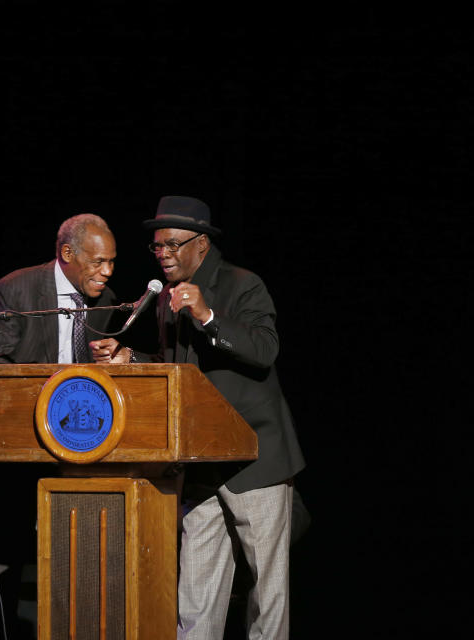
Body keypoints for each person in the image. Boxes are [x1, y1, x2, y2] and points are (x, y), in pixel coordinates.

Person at [91, 196, 305, 640]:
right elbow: (180, 374)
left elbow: (265, 350)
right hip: (202, 463)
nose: (162, 254)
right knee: (195, 597)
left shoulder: (242, 285)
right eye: (157, 248)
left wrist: (206, 315)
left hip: (256, 462)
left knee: (268, 597)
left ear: (201, 244)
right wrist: (131, 357)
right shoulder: (168, 299)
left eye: (171, 245)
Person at [0, 213, 119, 639]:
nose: (107, 271)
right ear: (68, 254)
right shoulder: (16, 289)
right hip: (2, 440)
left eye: (112, 261)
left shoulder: (105, 299)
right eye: (98, 262)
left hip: (64, 446)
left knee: (60, 551)